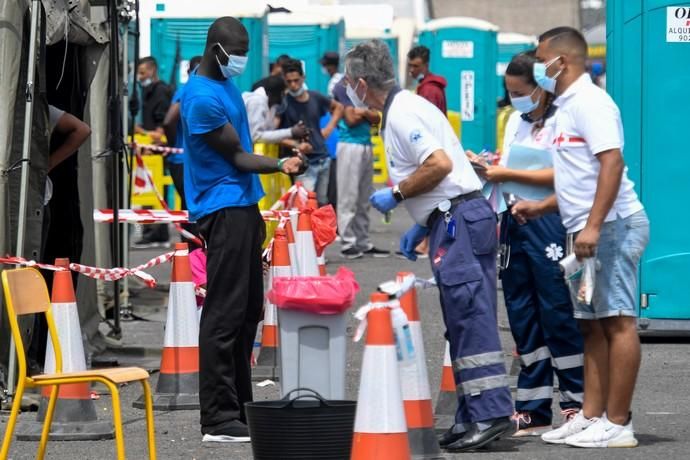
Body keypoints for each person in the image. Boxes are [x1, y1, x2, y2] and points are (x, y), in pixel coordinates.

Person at [346, 39, 514, 452]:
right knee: (461, 319)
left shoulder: (403, 113)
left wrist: (399, 194)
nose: (349, 90)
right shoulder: (407, 108)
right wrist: (422, 225)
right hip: (451, 217)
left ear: (362, 84)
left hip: (458, 219)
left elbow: (438, 165)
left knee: (470, 316)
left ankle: (490, 412)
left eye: (350, 83)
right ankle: (472, 414)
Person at [512, 27, 649, 448]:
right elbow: (578, 177)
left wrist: (591, 227)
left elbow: (611, 164)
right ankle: (591, 416)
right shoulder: (565, 107)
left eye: (540, 59)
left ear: (561, 62)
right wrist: (542, 207)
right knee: (590, 325)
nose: (538, 67)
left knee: (618, 321)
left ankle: (618, 422)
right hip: (586, 229)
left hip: (612, 226)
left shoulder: (591, 103)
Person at [179, 16, 306, 443]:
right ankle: (216, 417)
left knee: (249, 310)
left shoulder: (226, 86)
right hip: (223, 208)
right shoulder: (200, 98)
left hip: (243, 207)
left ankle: (239, 407)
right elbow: (237, 156)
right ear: (217, 49)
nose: (242, 59)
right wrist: (281, 163)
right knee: (224, 314)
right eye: (238, 51)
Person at [473, 51, 584, 437]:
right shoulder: (514, 122)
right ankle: (533, 406)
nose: (515, 98)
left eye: (520, 92)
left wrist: (507, 172)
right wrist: (489, 167)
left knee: (558, 311)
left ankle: (576, 401)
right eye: (509, 92)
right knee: (521, 312)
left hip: (550, 221)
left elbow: (567, 172)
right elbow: (510, 164)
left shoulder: (564, 121)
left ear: (542, 88)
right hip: (514, 221)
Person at [331, 79, 390, 259]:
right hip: (349, 145)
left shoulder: (365, 88)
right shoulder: (342, 87)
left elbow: (378, 117)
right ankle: (348, 242)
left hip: (366, 144)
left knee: (365, 198)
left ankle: (363, 241)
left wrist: (362, 112)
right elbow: (350, 119)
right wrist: (367, 112)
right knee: (348, 197)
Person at [279, 58, 343, 205]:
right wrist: (296, 145)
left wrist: (328, 129)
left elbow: (339, 107)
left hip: (323, 158)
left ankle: (319, 229)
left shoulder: (316, 97)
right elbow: (277, 135)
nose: (293, 85)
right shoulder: (284, 103)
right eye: (289, 82)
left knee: (321, 203)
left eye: (296, 80)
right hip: (303, 164)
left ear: (303, 78)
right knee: (304, 205)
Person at [162, 55, 202, 249]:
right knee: (192, 207)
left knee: (191, 206)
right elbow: (169, 121)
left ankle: (190, 251)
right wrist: (173, 145)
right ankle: (192, 252)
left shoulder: (192, 91)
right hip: (183, 160)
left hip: (187, 160)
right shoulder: (187, 91)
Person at [135, 56, 172, 248]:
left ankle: (158, 232)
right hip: (149, 151)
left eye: (142, 72)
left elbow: (161, 129)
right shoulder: (148, 93)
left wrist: (144, 133)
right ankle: (152, 231)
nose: (140, 77)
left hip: (157, 152)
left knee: (157, 191)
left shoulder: (161, 92)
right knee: (147, 191)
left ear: (152, 70)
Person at [242, 75, 308, 144]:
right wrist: (290, 132)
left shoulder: (271, 105)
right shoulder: (257, 102)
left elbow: (268, 132)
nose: (284, 98)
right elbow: (255, 136)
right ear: (273, 94)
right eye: (282, 94)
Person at [407, 45, 448, 115]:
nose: (411, 70)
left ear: (426, 66)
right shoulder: (426, 85)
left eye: (415, 66)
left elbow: (427, 120)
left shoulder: (429, 90)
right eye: (410, 65)